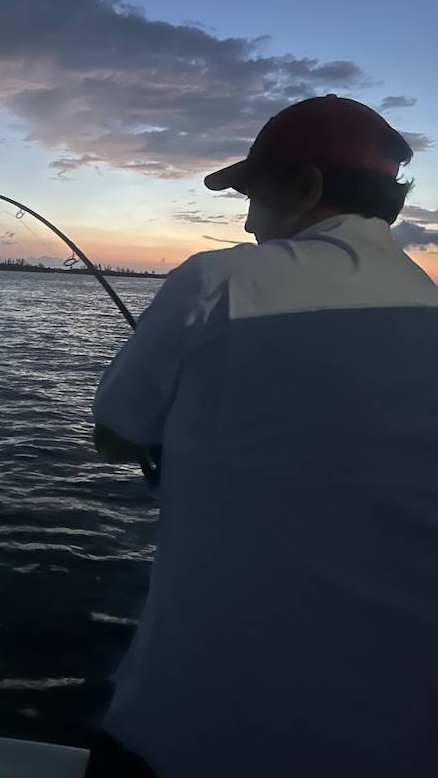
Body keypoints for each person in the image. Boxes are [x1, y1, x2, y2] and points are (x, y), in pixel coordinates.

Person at [86, 94, 438, 777]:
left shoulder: (216, 280)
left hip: (185, 736)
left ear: (305, 187)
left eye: (252, 194)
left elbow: (115, 435)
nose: (246, 222)